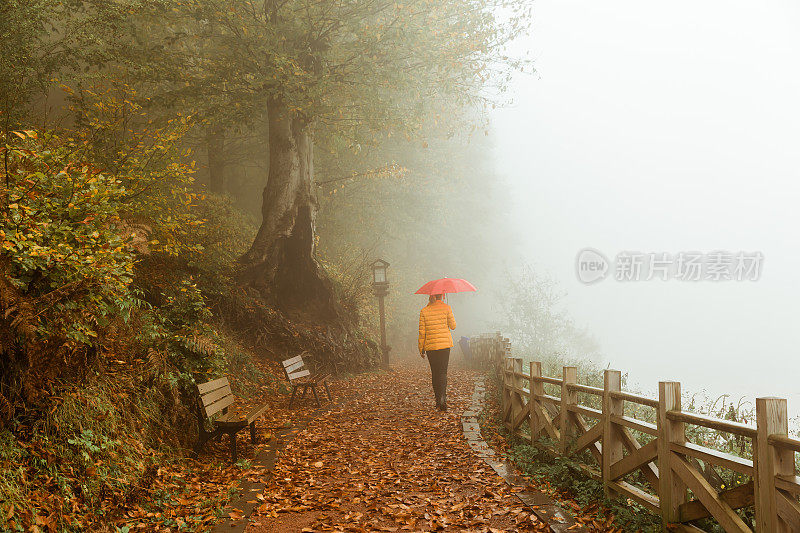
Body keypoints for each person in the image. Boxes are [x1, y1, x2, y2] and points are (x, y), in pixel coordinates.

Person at [418, 293, 457, 411]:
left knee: (435, 373)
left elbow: (422, 332)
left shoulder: (424, 311)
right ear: (443, 296)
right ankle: (443, 398)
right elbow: (453, 326)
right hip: (444, 346)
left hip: (430, 347)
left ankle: (437, 401)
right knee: (443, 372)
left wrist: (421, 348)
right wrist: (447, 315)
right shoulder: (447, 308)